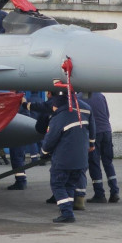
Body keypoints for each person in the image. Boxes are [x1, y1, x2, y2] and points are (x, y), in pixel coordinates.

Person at [39, 91, 94, 223]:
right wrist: (92, 144)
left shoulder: (58, 118)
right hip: (81, 161)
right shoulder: (80, 115)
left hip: (63, 161)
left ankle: (67, 213)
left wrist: (43, 153)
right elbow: (92, 131)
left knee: (57, 185)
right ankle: (68, 211)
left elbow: (50, 140)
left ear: (56, 105)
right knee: (69, 185)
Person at [80, 92, 120, 203]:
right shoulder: (101, 96)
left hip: (94, 133)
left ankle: (99, 194)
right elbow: (107, 114)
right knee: (108, 162)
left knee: (94, 163)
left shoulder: (79, 98)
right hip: (107, 131)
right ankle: (114, 191)